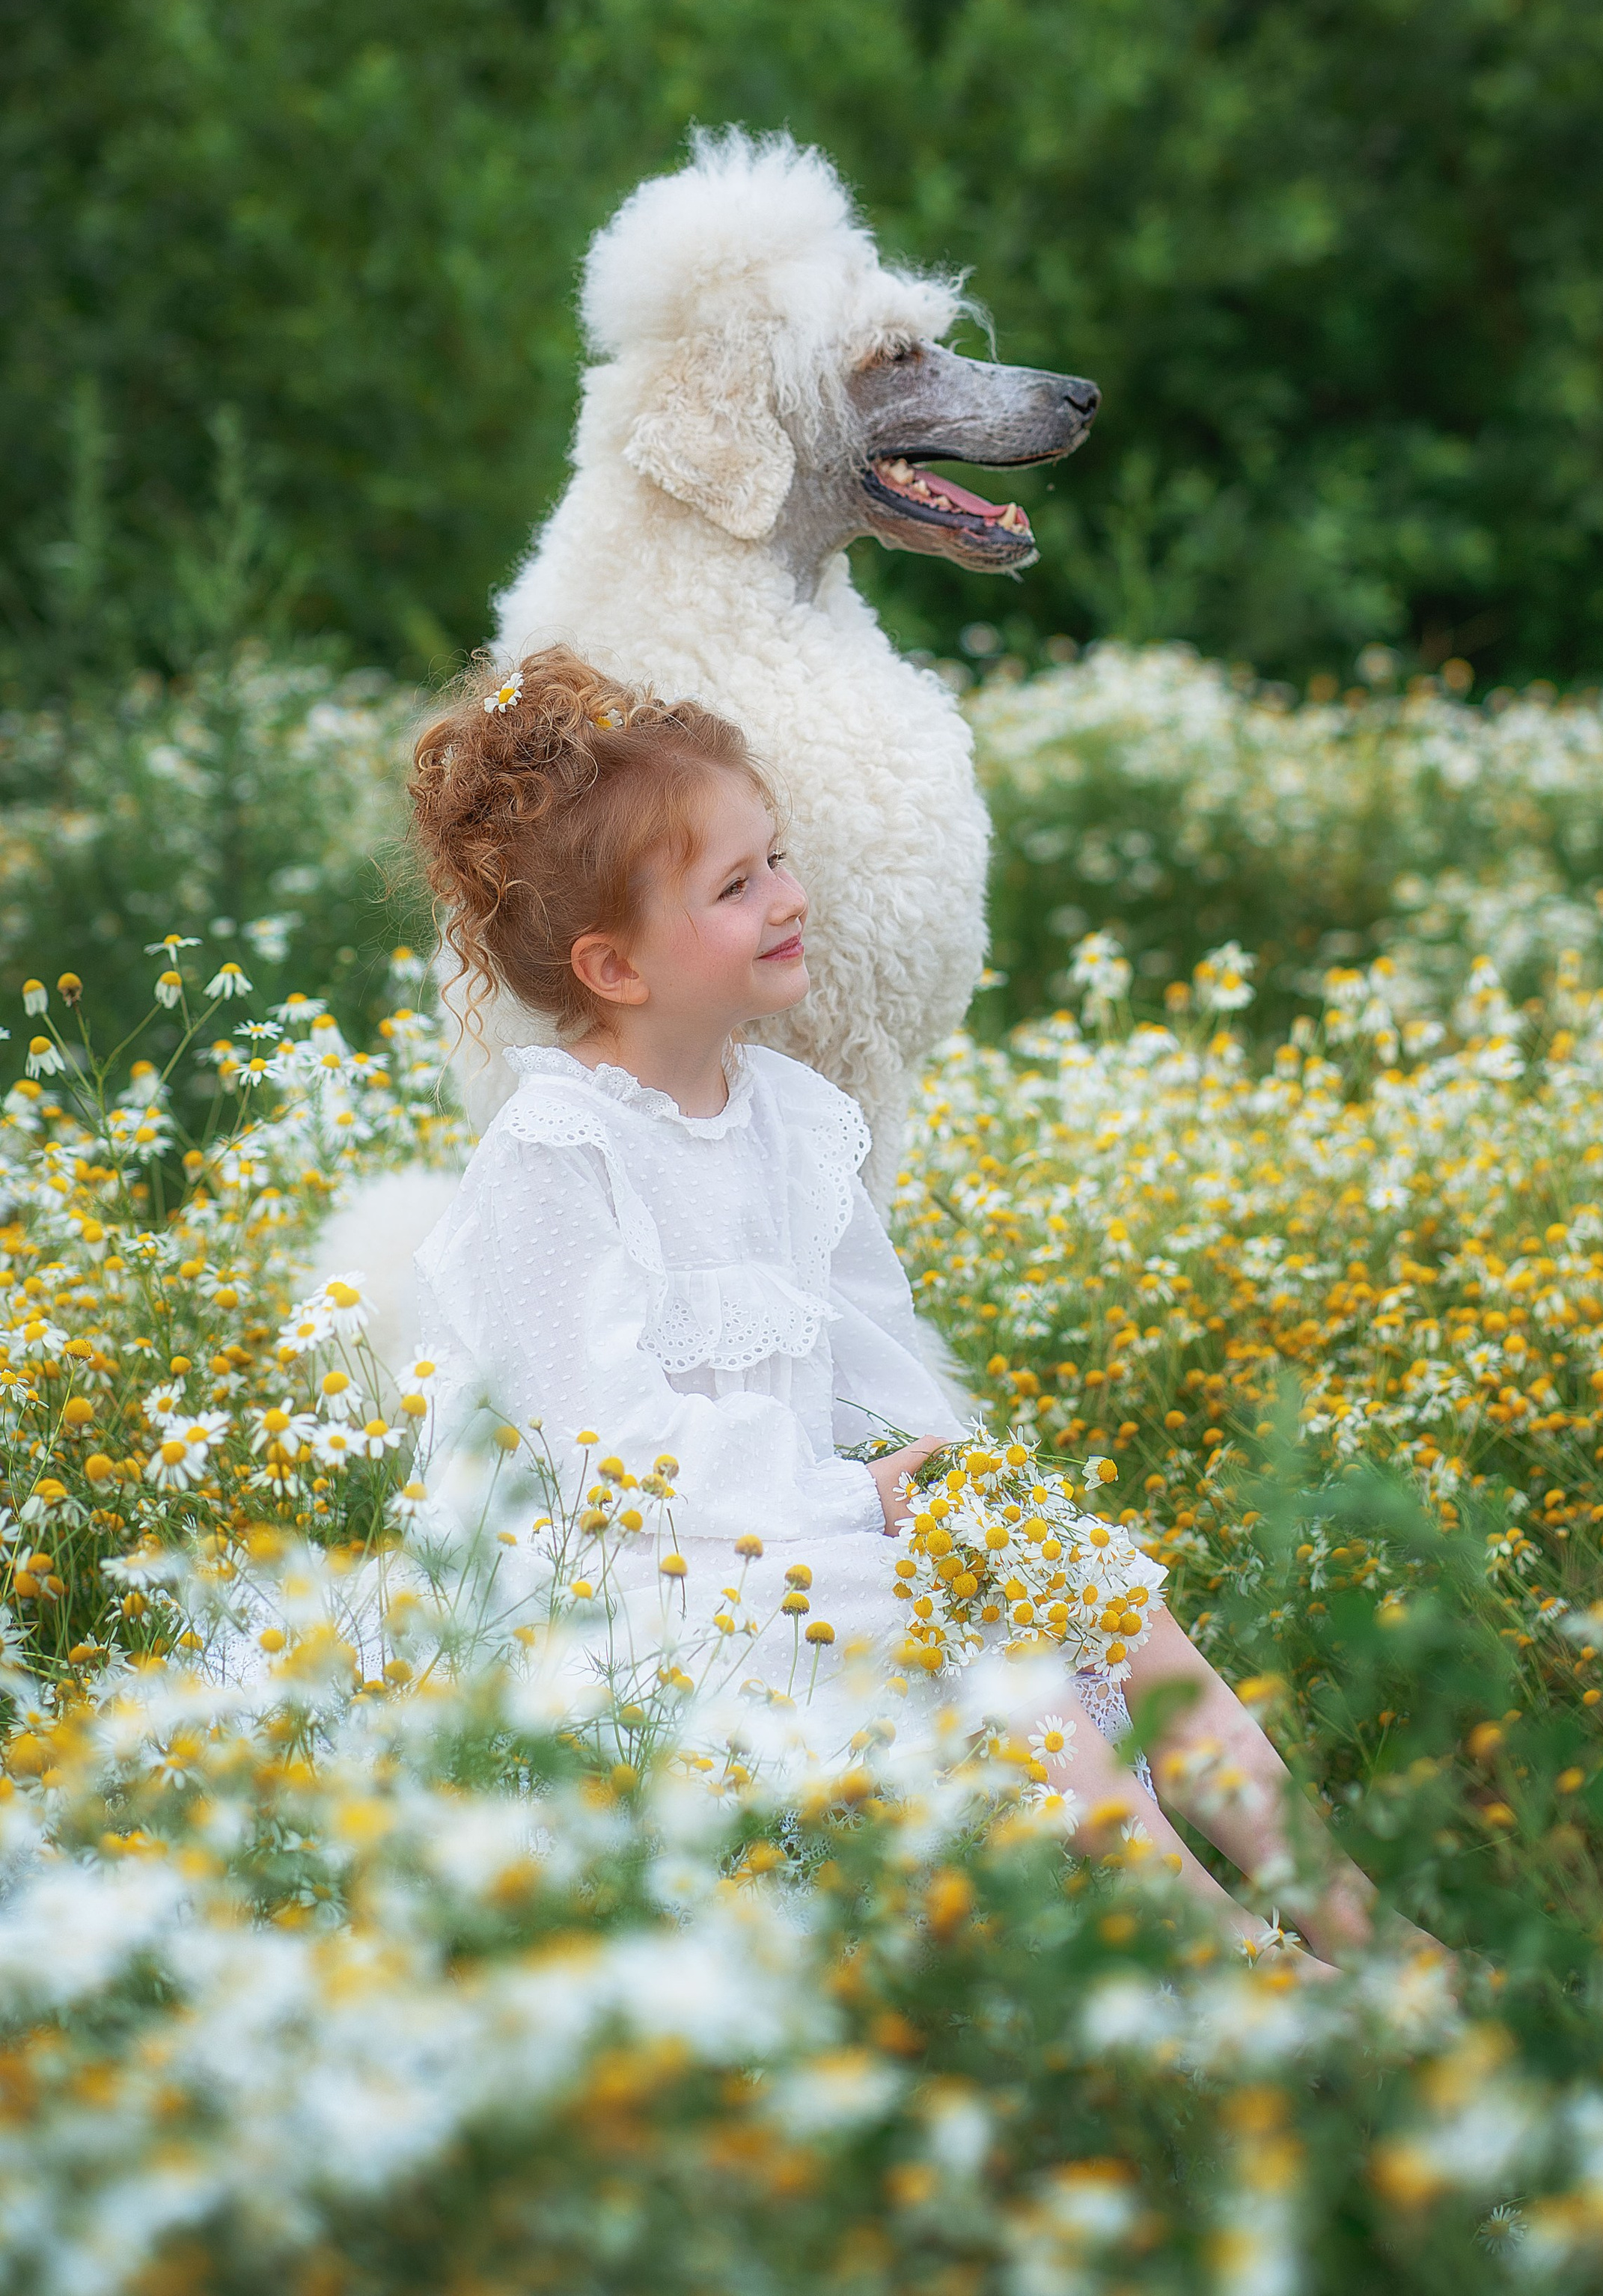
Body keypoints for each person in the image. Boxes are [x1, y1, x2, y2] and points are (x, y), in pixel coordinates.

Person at [407, 646, 1422, 1970]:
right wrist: (864, 1502)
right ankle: (1236, 1961)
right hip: (652, 1571)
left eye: (775, 857)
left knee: (1106, 1598)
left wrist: (948, 1481)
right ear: (614, 965)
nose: (789, 896)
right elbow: (602, 1444)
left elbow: (872, 1367)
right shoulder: (561, 1151)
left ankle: (1364, 1920)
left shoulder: (792, 1119)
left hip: (808, 1522)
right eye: (735, 883)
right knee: (1004, 1664)